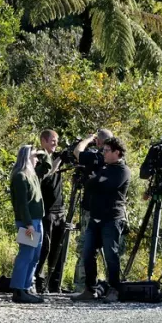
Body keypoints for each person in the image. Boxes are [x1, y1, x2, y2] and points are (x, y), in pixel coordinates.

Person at [77, 137, 130, 303]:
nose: (103, 153)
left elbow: (105, 186)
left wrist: (96, 180)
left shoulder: (123, 171)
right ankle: (90, 288)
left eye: (107, 150)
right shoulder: (105, 168)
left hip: (112, 219)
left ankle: (114, 288)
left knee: (111, 255)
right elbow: (90, 185)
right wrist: (95, 180)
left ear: (117, 152)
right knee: (87, 252)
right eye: (103, 150)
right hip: (95, 218)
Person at [71, 128, 113, 295]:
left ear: (98, 142)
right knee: (109, 248)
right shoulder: (114, 160)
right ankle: (111, 285)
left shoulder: (94, 156)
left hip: (90, 208)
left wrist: (87, 139)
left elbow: (77, 152)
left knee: (86, 246)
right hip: (109, 210)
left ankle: (82, 284)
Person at [9, 145, 46, 304]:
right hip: (28, 222)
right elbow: (21, 204)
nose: (37, 159)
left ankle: (26, 286)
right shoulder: (20, 176)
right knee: (26, 254)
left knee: (35, 256)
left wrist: (42, 151)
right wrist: (28, 223)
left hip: (37, 221)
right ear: (26, 157)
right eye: (34, 156)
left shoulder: (32, 175)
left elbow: (47, 165)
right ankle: (18, 289)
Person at [34, 130, 65, 292]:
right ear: (43, 141)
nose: (56, 143)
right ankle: (37, 281)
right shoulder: (38, 158)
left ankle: (55, 284)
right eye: (53, 141)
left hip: (60, 209)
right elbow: (46, 174)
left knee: (58, 248)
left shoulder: (56, 156)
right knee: (42, 247)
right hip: (44, 211)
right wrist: (59, 160)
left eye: (57, 140)